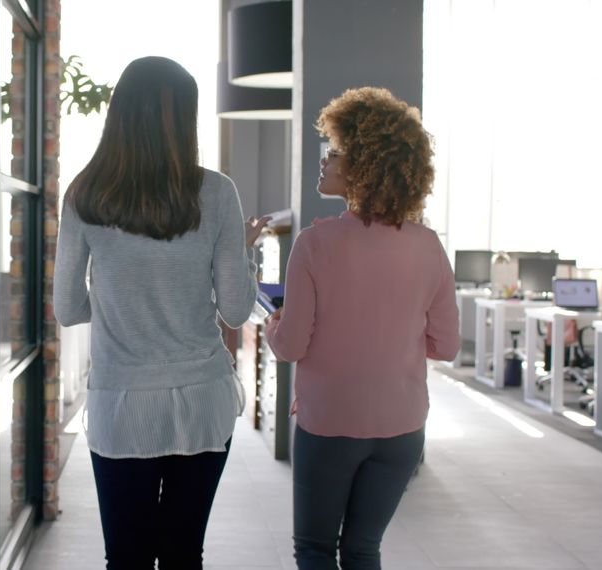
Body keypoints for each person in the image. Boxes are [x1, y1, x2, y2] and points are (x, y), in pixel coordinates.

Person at [53, 56, 270, 569]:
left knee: (125, 559)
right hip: (202, 399)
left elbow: (66, 309)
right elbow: (237, 311)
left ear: (120, 114)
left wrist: (111, 307)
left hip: (121, 403)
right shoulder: (217, 193)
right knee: (181, 555)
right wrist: (243, 253)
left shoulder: (86, 194)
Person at [264, 87, 460, 570]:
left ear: (364, 165)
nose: (325, 160)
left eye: (336, 151)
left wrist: (273, 325)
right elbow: (448, 345)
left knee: (314, 550)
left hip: (330, 424)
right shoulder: (430, 246)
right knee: (362, 551)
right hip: (402, 429)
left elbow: (290, 347)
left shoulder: (314, 244)